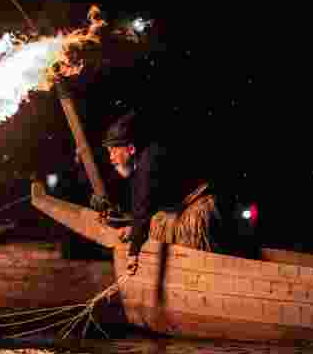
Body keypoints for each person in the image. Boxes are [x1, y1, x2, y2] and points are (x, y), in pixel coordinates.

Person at [100, 111, 237, 272]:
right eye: (109, 152)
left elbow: (143, 207)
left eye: (114, 151)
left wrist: (133, 254)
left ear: (130, 149)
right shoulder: (139, 166)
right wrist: (132, 228)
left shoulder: (149, 164)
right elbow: (141, 204)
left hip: (195, 209)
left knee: (198, 260)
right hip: (178, 209)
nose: (111, 157)